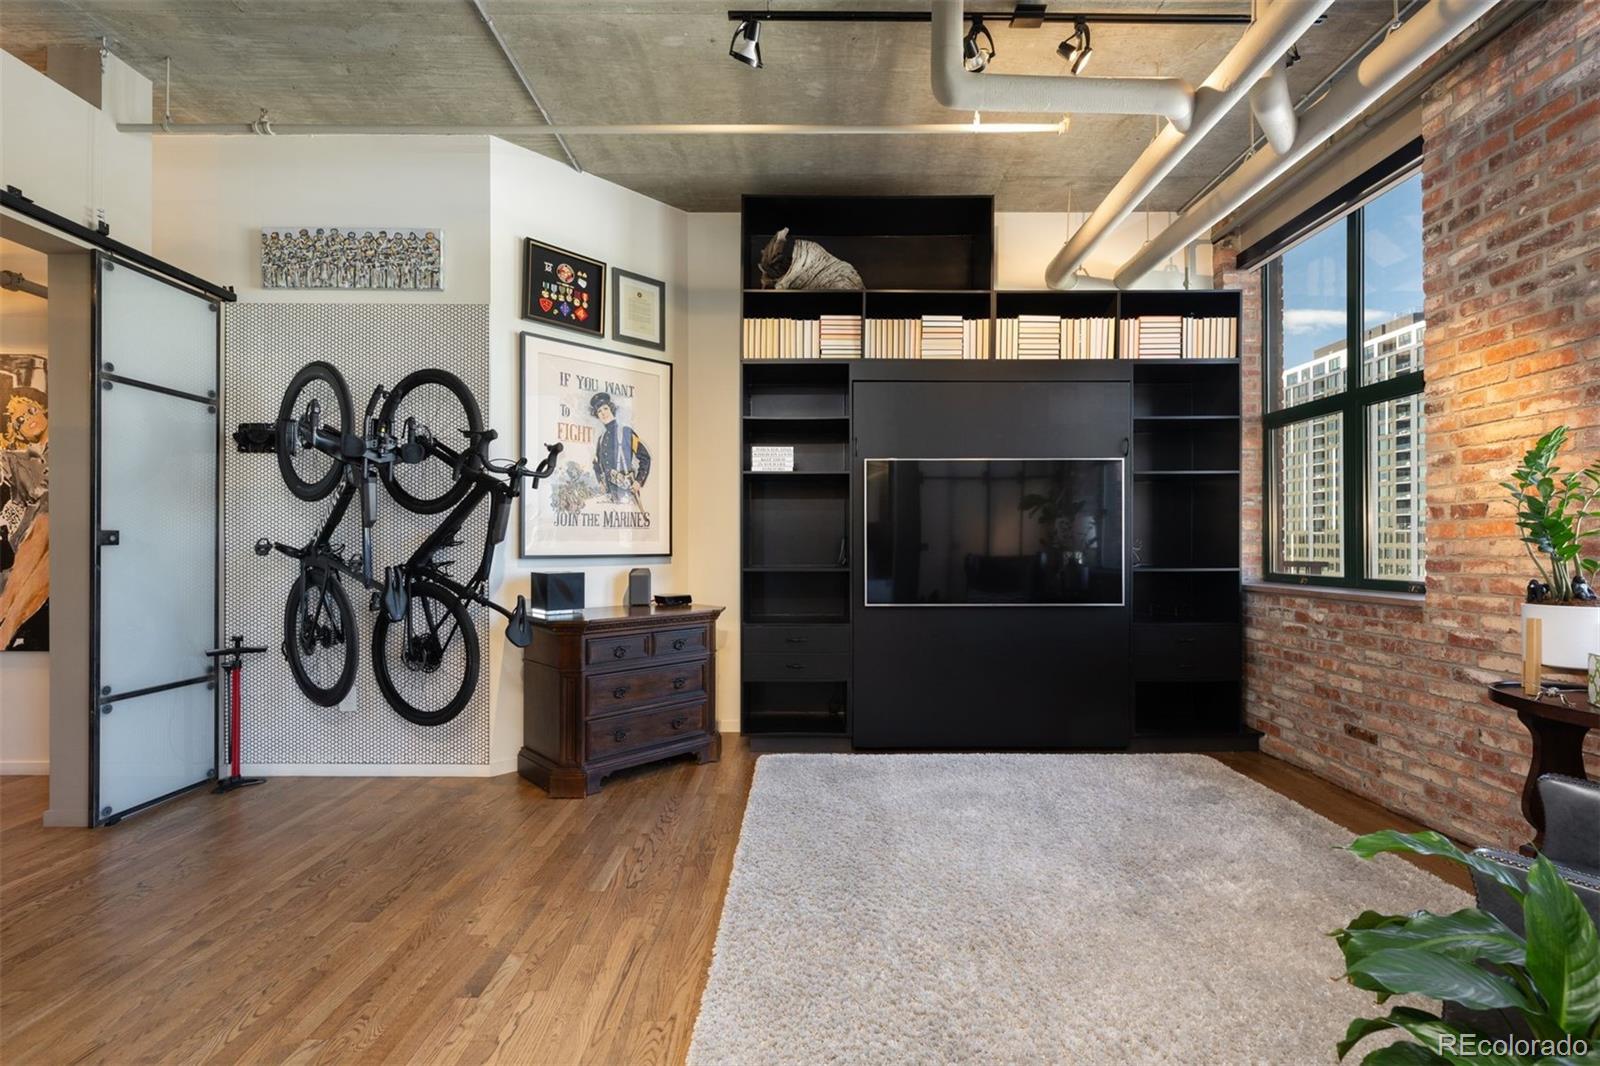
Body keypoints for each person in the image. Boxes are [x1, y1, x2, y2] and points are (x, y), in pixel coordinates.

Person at [589, 392, 650, 506]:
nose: (603, 413)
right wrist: (600, 482)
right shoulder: (601, 439)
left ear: (611, 409)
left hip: (626, 493)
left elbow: (645, 458)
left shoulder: (626, 432)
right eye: (599, 411)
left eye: (605, 408)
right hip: (609, 495)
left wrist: (638, 481)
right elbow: (596, 463)